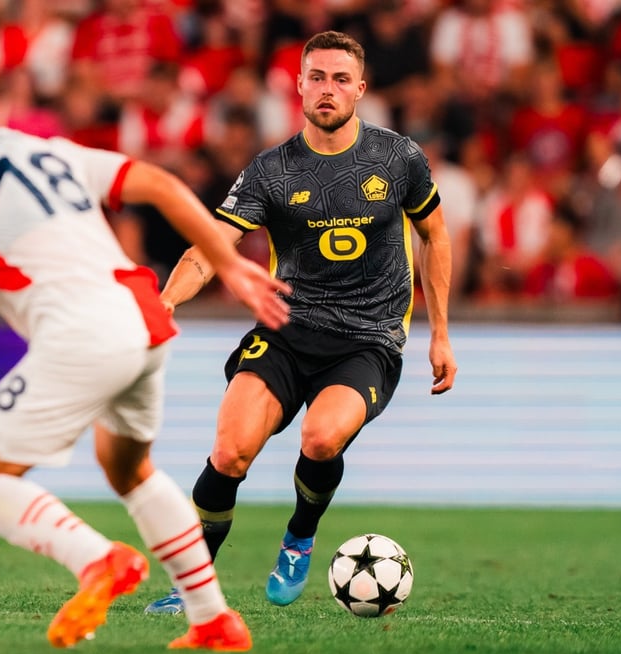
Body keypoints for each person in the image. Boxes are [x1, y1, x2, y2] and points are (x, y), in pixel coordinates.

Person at [0, 54, 291, 651]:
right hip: (144, 318)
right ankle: (213, 619)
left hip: (82, 331)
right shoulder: (50, 150)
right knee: (128, 468)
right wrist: (228, 265)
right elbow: (161, 185)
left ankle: (96, 559)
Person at [144, 31, 457, 614]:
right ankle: (192, 584)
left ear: (360, 89)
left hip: (368, 338)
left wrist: (440, 333)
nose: (327, 89)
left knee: (320, 437)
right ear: (299, 86)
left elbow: (434, 235)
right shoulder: (272, 171)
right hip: (285, 331)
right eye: (317, 77)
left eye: (340, 79)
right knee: (230, 452)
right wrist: (165, 302)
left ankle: (299, 537)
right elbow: (210, 249)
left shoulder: (398, 158)